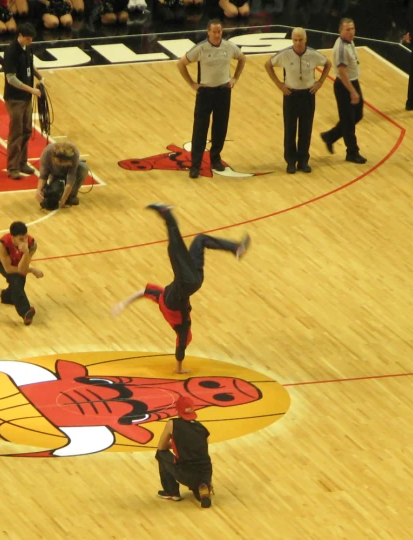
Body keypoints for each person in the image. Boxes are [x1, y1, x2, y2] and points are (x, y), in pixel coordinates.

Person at [111, 203, 251, 374]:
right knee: (175, 248)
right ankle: (166, 213)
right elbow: (180, 346)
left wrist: (123, 304)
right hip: (188, 281)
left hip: (193, 277)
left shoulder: (162, 298)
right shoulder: (181, 322)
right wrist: (179, 368)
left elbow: (143, 293)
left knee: (199, 240)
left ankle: (237, 248)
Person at [178, 19, 246, 179]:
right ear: (208, 32)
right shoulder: (201, 48)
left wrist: (235, 78)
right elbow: (181, 64)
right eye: (214, 32)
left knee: (220, 127)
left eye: (219, 31)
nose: (217, 34)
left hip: (223, 91)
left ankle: (215, 158)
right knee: (200, 129)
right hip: (205, 93)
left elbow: (242, 58)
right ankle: (195, 165)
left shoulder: (228, 46)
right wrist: (192, 84)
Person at [265, 27, 331, 174]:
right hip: (291, 95)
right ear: (292, 40)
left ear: (306, 39)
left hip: (308, 95)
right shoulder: (285, 54)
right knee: (290, 129)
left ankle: (303, 161)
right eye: (295, 40)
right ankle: (290, 162)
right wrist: (279, 84)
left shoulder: (313, 54)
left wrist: (320, 82)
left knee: (306, 129)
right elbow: (268, 65)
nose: (298, 42)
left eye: (300, 39)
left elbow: (328, 64)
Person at [319, 18, 367, 164]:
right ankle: (352, 152)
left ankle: (330, 136)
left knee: (357, 115)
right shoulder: (340, 48)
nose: (351, 32)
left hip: (353, 81)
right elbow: (342, 72)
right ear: (340, 31)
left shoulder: (350, 41)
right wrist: (352, 91)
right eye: (347, 29)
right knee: (348, 121)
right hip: (344, 85)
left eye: (352, 28)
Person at [154, 395, 213, 508]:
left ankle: (171, 492)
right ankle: (204, 489)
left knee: (161, 454)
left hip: (186, 472)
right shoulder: (202, 429)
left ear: (177, 410)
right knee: (199, 482)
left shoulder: (172, 424)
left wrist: (176, 444)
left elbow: (161, 447)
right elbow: (203, 450)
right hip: (206, 472)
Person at [3, 23, 43, 180]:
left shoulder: (27, 48)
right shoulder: (11, 51)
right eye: (27, 39)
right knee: (16, 132)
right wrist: (32, 90)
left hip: (25, 98)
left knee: (26, 130)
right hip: (15, 99)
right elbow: (11, 78)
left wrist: (40, 77)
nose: (30, 41)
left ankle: (22, 162)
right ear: (20, 35)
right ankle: (12, 167)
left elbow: (29, 66)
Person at [35, 141, 89, 209]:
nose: (67, 165)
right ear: (55, 160)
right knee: (54, 191)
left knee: (83, 168)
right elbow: (43, 175)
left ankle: (71, 196)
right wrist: (39, 190)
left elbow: (71, 178)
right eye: (65, 163)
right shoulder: (47, 153)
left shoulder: (74, 153)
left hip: (73, 171)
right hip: (54, 173)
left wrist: (64, 199)